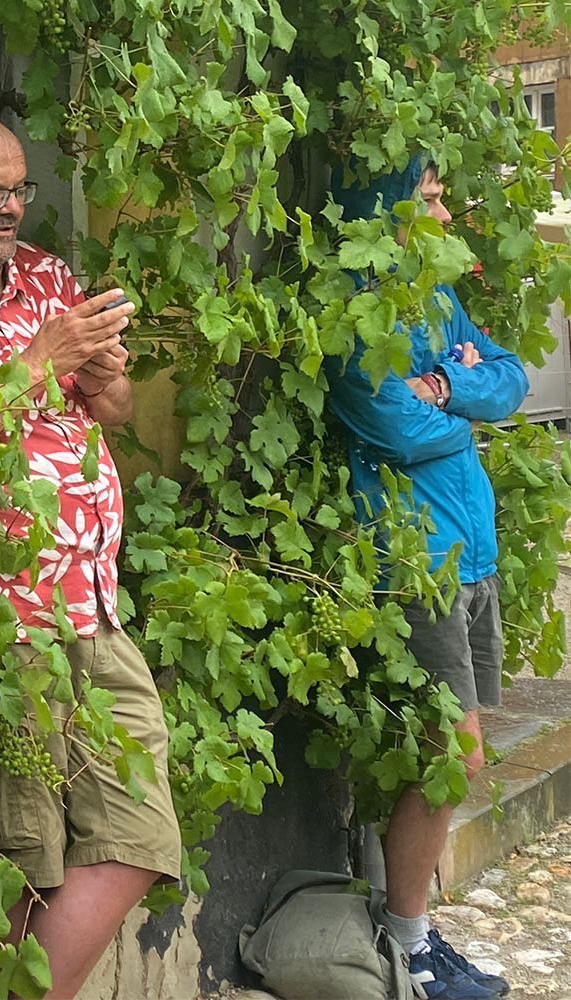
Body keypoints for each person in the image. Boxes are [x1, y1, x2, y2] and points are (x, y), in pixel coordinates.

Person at [0, 111, 182, 997]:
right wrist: (37, 358)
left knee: (138, 838)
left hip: (91, 601)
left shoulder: (45, 276)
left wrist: (107, 382)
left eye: (17, 188)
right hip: (2, 621)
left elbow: (103, 417)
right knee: (26, 863)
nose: (8, 209)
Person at [327, 155, 527, 1000]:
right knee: (453, 758)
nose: (444, 213)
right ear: (386, 212)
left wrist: (445, 385)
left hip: (468, 551)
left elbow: (510, 377)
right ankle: (407, 949)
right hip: (419, 560)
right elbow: (388, 423)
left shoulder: (434, 295)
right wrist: (458, 407)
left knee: (456, 758)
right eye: (431, 199)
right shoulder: (358, 313)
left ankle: (413, 934)